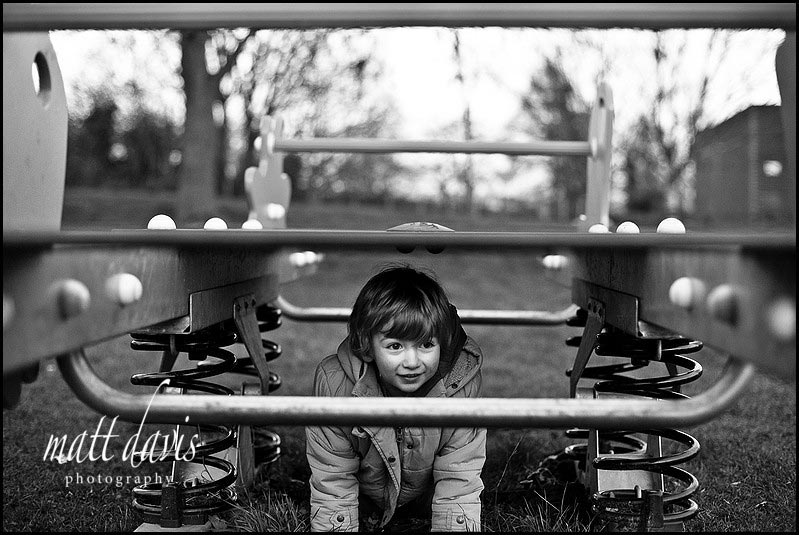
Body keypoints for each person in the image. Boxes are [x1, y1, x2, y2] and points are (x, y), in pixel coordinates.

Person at [305, 265, 486, 532]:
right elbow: (333, 473)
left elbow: (459, 472)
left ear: (443, 341)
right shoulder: (336, 385)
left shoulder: (460, 387)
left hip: (428, 499)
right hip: (364, 499)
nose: (412, 362)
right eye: (395, 346)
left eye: (426, 344)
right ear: (367, 345)